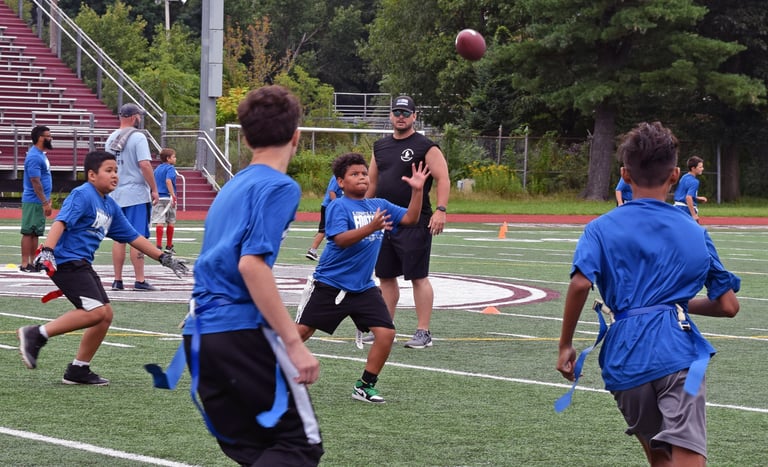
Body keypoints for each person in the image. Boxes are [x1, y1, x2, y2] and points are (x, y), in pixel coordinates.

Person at [556, 122, 740, 466]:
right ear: (674, 175)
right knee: (687, 457)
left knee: (658, 457)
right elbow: (728, 306)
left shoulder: (599, 228)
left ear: (625, 174)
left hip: (624, 357)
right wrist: (676, 305)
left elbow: (580, 283)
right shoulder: (696, 232)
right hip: (677, 351)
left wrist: (565, 344)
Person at [185, 85, 323, 465]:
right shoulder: (279, 186)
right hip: (240, 331)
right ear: (297, 137)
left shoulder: (231, 186)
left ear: (244, 138)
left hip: (199, 334)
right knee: (300, 445)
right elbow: (251, 264)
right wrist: (293, 343)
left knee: (257, 451)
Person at [16, 150, 187, 385]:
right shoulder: (83, 194)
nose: (115, 175)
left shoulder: (110, 206)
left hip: (81, 264)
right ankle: (36, 334)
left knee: (104, 315)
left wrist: (163, 258)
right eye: (109, 171)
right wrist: (47, 251)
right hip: (65, 262)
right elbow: (61, 221)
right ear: (92, 175)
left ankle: (78, 369)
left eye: (116, 170)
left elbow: (133, 237)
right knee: (95, 312)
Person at [296, 153, 429, 403]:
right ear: (341, 182)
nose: (361, 177)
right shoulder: (338, 206)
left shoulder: (379, 205)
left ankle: (365, 385)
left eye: (364, 173)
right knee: (301, 332)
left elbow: (411, 218)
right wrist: (371, 227)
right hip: (331, 285)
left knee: (386, 333)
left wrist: (417, 190)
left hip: (363, 288)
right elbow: (340, 240)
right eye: (354, 174)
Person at [365, 95, 450, 349]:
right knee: (385, 276)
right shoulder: (379, 147)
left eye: (405, 113)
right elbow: (372, 184)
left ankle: (423, 331)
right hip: (384, 220)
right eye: (397, 112)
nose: (400, 117)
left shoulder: (426, 146)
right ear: (391, 116)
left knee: (418, 276)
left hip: (415, 220)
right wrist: (358, 211)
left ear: (414, 116)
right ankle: (385, 327)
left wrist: (441, 210)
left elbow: (443, 178)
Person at [106, 103, 160, 291]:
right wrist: (154, 188)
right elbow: (144, 164)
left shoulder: (111, 137)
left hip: (116, 193)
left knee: (119, 238)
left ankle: (117, 279)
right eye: (138, 115)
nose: (140, 118)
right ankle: (139, 279)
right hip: (135, 193)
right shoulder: (138, 137)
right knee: (137, 237)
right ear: (132, 117)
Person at [20, 125, 53, 272]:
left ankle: (33, 262)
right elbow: (35, 181)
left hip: (39, 200)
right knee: (28, 232)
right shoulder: (34, 156)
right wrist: (44, 201)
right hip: (34, 200)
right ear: (39, 138)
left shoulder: (41, 154)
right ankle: (25, 263)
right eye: (47, 135)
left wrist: (47, 198)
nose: (50, 138)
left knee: (35, 232)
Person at [305, 174, 343, 261]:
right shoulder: (336, 176)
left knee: (327, 229)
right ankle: (313, 251)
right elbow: (331, 191)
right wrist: (336, 205)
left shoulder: (344, 175)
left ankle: (313, 251)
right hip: (329, 207)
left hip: (330, 206)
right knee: (324, 230)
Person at [151, 148, 178, 254]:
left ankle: (158, 245)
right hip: (168, 197)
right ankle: (169, 245)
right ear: (168, 158)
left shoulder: (157, 169)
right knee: (171, 221)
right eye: (174, 157)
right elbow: (168, 181)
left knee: (159, 221)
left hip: (158, 197)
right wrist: (173, 194)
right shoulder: (170, 168)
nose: (175, 159)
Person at [673, 155, 707, 223]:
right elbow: (688, 197)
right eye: (700, 167)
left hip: (677, 208)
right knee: (695, 232)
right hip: (686, 209)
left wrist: (698, 198)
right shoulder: (694, 181)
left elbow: (684, 194)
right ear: (693, 168)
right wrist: (693, 215)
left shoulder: (684, 177)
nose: (702, 168)